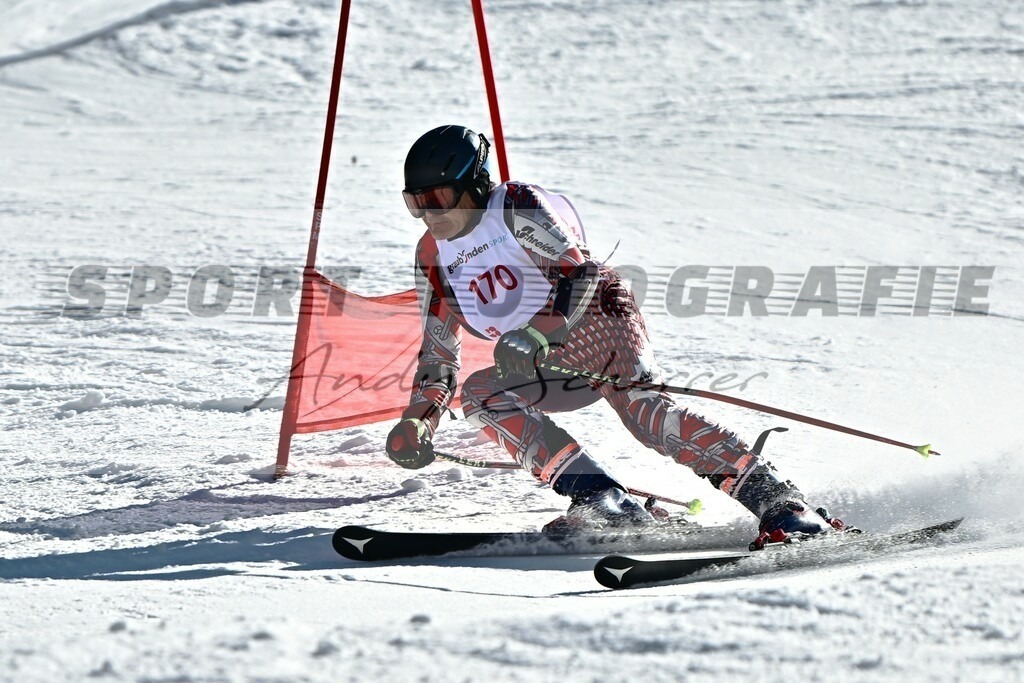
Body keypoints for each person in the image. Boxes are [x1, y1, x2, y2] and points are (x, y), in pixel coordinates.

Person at [385, 124, 846, 543]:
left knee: (646, 416)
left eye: (439, 198)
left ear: (475, 184)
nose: (429, 215)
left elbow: (579, 272)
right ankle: (603, 500)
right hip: (545, 355)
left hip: (597, 319)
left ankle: (781, 503)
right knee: (482, 394)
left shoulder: (513, 206)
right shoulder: (432, 256)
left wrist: (540, 331)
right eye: (416, 203)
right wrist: (419, 421)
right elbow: (438, 355)